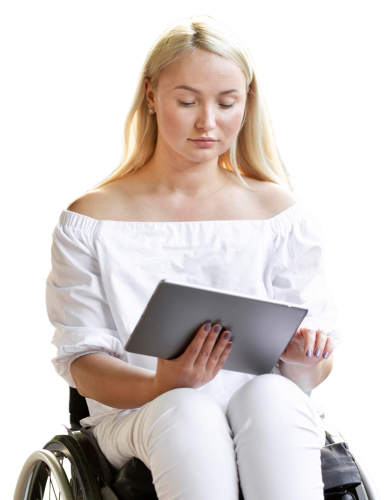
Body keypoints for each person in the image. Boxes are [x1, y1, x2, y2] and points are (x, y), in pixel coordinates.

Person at [44, 13, 342, 500]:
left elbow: (313, 370)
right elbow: (82, 360)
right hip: (140, 411)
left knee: (272, 395)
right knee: (188, 409)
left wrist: (303, 357)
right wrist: (162, 383)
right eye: (187, 102)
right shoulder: (92, 219)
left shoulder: (280, 215)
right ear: (152, 97)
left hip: (262, 405)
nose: (208, 123)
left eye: (227, 103)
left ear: (246, 105)